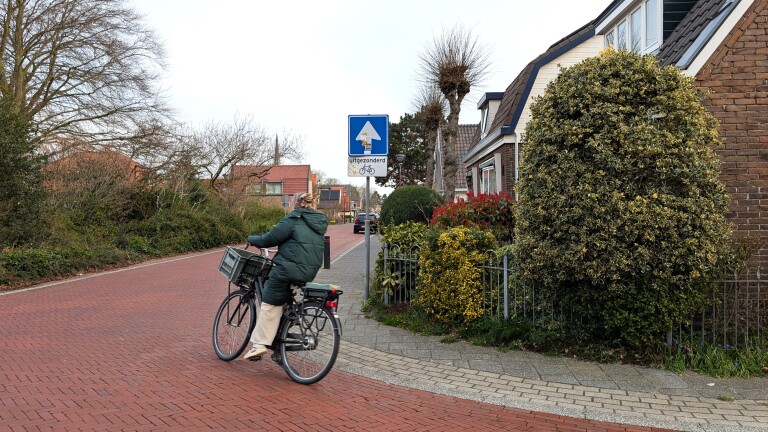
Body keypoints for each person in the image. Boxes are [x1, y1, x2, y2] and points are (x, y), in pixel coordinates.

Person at [243, 192, 328, 361]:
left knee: (270, 298)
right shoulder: (319, 222)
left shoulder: (294, 219)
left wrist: (252, 239)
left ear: (296, 203)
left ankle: (259, 344)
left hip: (288, 269)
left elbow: (270, 238)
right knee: (284, 299)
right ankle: (279, 340)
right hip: (310, 270)